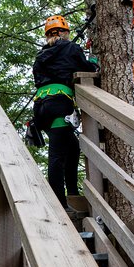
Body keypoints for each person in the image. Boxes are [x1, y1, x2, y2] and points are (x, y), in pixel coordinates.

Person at [32, 14, 100, 210]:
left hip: (41, 107)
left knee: (72, 146)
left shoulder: (41, 56)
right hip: (59, 104)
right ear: (64, 32)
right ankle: (60, 204)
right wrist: (93, 61)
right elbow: (87, 67)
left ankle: (71, 193)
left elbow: (38, 80)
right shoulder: (71, 48)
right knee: (57, 155)